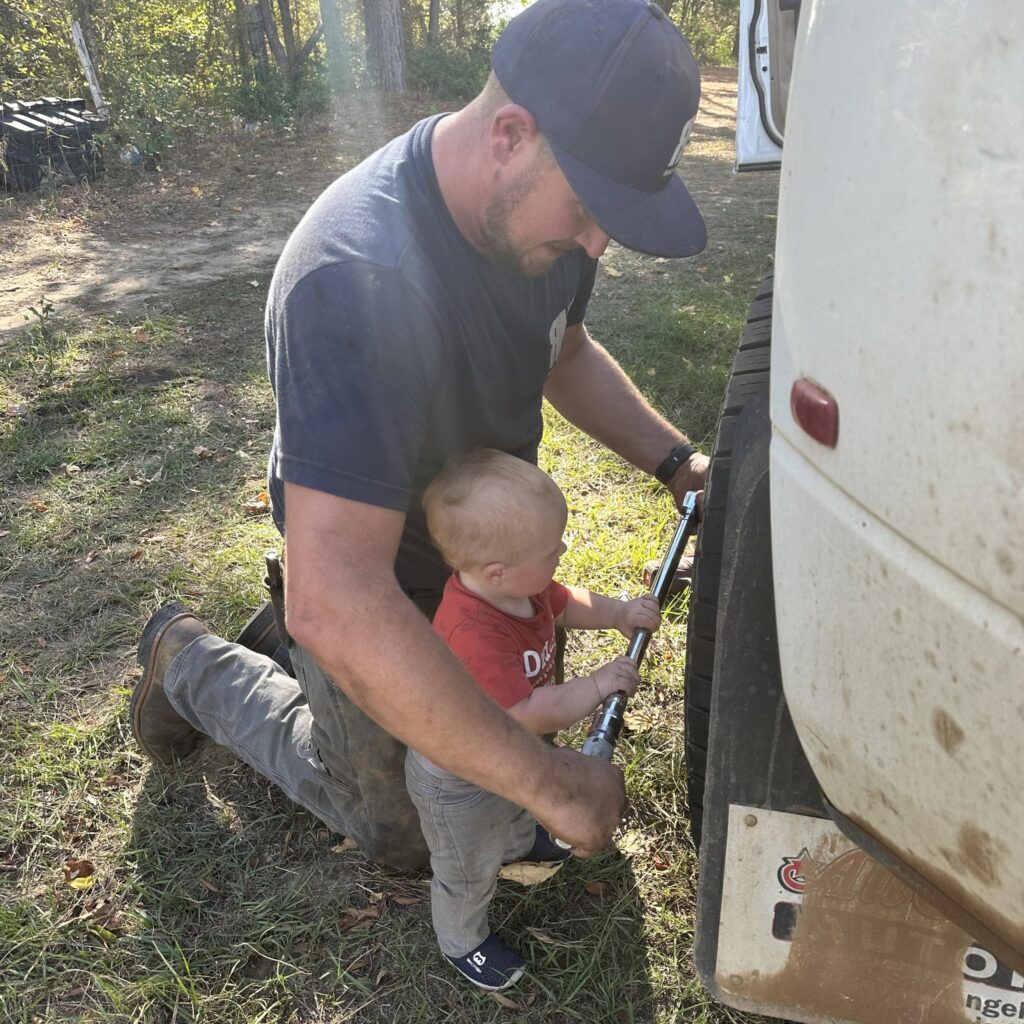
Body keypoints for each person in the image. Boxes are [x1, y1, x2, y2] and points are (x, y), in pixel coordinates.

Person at [130, 0, 709, 873]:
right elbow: (345, 597)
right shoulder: (354, 282)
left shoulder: (541, 233)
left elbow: (567, 347)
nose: (597, 242)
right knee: (405, 830)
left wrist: (677, 463)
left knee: (476, 762)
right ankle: (191, 660)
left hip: (472, 560)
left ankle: (309, 631)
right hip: (373, 584)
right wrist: (547, 783)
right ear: (511, 135)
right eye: (592, 207)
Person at [406, 449, 661, 990]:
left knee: (518, 801)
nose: (562, 551)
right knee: (466, 865)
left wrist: (616, 612)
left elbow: (564, 603)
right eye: (551, 549)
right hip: (456, 779)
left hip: (502, 754)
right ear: (497, 571)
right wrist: (597, 684)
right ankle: (463, 940)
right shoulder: (473, 632)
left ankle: (522, 845)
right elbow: (526, 714)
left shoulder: (518, 587)